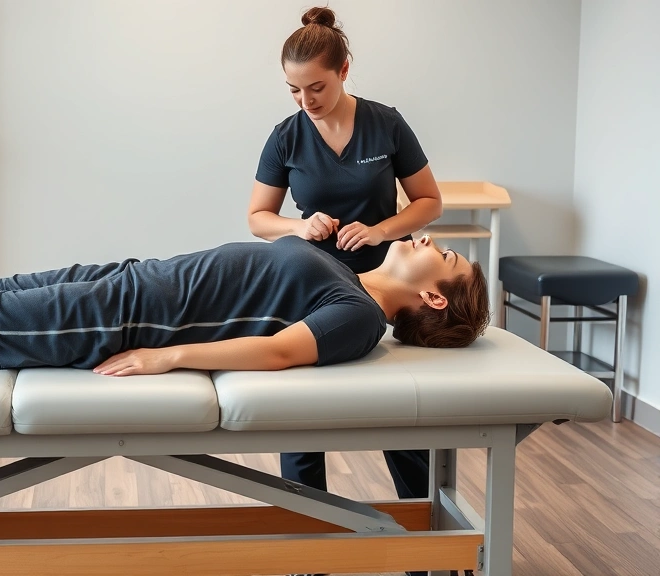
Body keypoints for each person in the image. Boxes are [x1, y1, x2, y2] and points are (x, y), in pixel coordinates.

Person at [247, 8, 450, 575]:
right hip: (309, 291)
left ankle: (426, 552)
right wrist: (298, 225)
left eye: (317, 86)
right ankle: (309, 555)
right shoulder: (286, 136)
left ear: (344, 70)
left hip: (382, 293)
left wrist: (383, 231)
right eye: (294, 90)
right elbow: (258, 218)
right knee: (303, 426)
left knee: (402, 424)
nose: (306, 100)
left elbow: (429, 201)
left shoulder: (386, 125)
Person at [0, 235, 488, 380]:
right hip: (133, 279)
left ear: (430, 296)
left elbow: (281, 351)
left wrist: (172, 356)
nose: (430, 237)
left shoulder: (357, 321)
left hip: (136, 319)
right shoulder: (348, 276)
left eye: (443, 255)